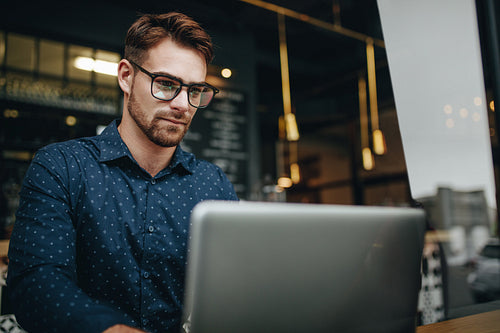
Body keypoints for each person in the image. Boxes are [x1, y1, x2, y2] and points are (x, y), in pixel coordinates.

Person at [7, 12, 238, 333]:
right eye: (167, 84)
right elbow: (36, 284)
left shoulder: (212, 184)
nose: (183, 105)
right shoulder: (61, 166)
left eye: (195, 90)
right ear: (126, 76)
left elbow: (234, 288)